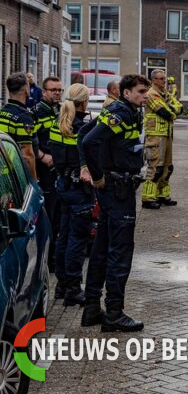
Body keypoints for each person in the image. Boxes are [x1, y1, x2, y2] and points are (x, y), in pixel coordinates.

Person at [79, 74, 149, 332]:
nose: (144, 96)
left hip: (115, 189)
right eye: (140, 92)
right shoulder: (120, 113)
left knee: (101, 249)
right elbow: (88, 140)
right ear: (126, 92)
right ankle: (114, 313)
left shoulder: (125, 111)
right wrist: (97, 175)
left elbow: (85, 133)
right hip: (118, 191)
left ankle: (91, 308)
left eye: (146, 92)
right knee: (120, 252)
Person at [48, 83, 95, 307]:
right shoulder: (82, 128)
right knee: (78, 239)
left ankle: (61, 285)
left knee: (63, 236)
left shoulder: (57, 123)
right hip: (79, 189)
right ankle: (74, 289)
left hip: (62, 185)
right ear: (84, 102)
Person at [140, 69, 182, 209]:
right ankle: (148, 198)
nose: (164, 81)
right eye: (161, 78)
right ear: (154, 80)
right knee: (155, 167)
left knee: (168, 168)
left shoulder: (165, 94)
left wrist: (172, 110)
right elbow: (164, 113)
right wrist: (172, 110)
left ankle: (162, 195)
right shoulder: (151, 94)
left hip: (167, 134)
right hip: (156, 136)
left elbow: (180, 108)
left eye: (164, 78)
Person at [34, 76, 62, 276]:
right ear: (44, 92)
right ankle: (46, 261)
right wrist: (42, 156)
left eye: (59, 90)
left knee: (59, 219)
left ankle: (54, 260)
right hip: (45, 173)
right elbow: (29, 141)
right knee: (49, 218)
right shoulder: (37, 112)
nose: (57, 93)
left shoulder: (59, 111)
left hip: (58, 173)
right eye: (53, 90)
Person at [0, 72, 37, 179]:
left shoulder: (2, 112)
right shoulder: (24, 117)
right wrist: (33, 183)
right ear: (26, 89)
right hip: (15, 175)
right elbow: (27, 156)